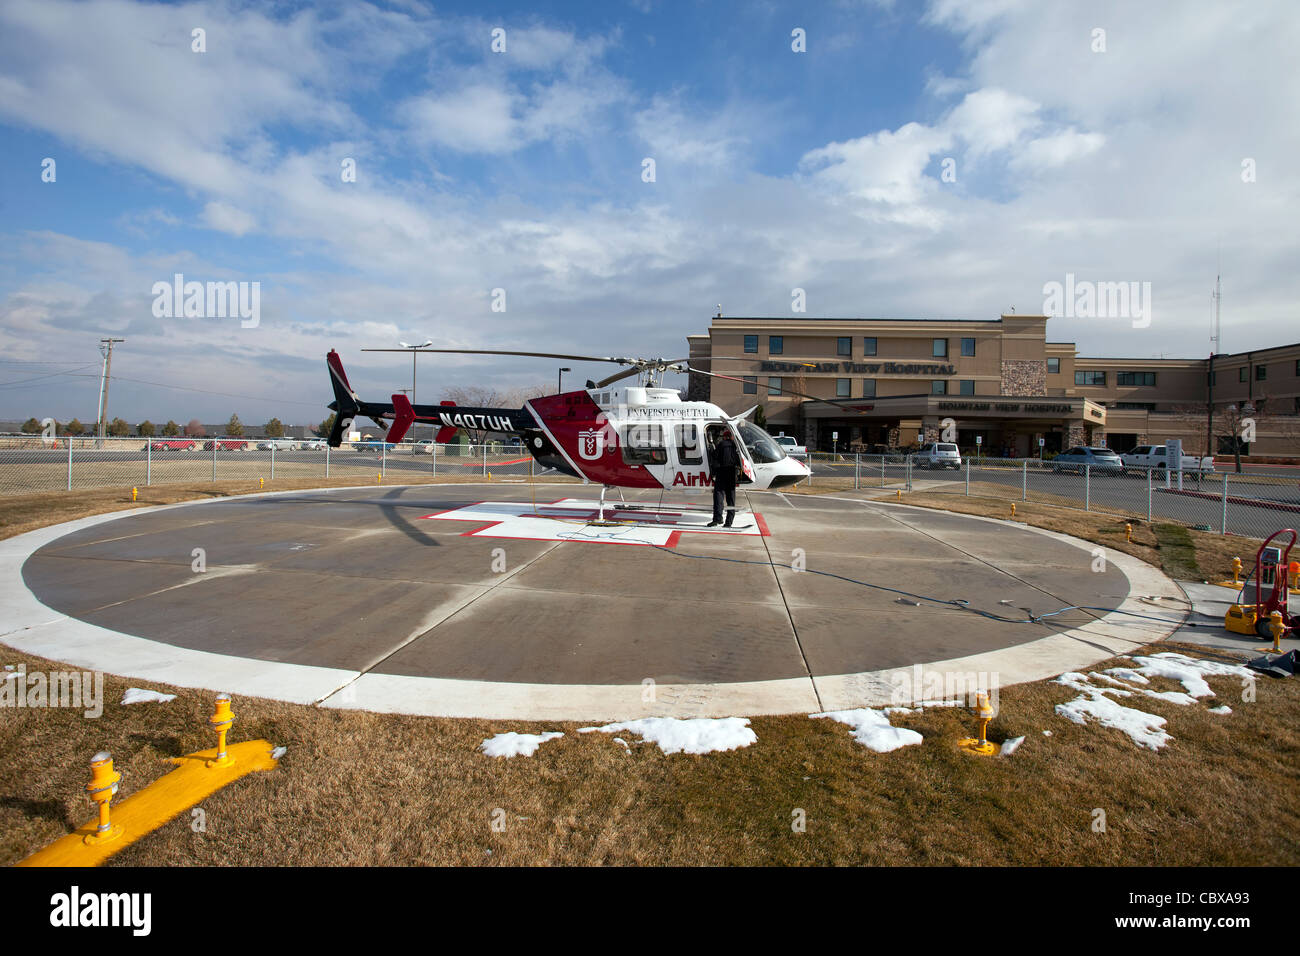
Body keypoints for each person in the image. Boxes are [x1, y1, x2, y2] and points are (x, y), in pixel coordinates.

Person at [707, 428, 740, 527]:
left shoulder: (721, 445)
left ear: (725, 437)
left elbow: (714, 456)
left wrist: (711, 448)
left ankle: (717, 519)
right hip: (731, 473)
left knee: (718, 496)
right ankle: (729, 522)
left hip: (721, 473)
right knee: (731, 499)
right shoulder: (736, 446)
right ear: (732, 437)